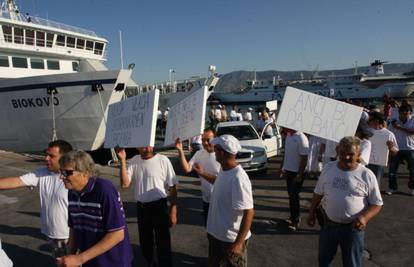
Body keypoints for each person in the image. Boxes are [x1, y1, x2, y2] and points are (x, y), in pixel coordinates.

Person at [307, 136, 383, 267]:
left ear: (358, 154)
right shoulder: (328, 168)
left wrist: (364, 218)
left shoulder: (366, 174)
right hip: (328, 226)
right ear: (337, 151)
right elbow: (318, 192)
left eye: (351, 154)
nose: (346, 157)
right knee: (324, 262)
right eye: (343, 153)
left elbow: (377, 203)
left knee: (352, 264)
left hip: (353, 229)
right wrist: (311, 212)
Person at [57, 151, 132, 267]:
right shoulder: (72, 193)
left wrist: (79, 259)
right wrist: (69, 256)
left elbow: (117, 234)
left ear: (85, 173)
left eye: (67, 172)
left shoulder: (104, 190)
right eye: (61, 172)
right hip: (89, 261)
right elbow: (74, 228)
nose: (61, 177)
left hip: (112, 262)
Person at [0, 140, 72, 259]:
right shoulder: (41, 173)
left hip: (71, 235)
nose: (46, 158)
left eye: (51, 156)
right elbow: (16, 181)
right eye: (46, 154)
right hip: (53, 235)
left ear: (65, 158)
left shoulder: (76, 178)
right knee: (61, 262)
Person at [116, 146, 178, 267]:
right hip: (142, 208)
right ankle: (150, 263)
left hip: (159, 206)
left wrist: (173, 210)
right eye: (142, 144)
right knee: (145, 242)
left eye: (148, 143)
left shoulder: (163, 160)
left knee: (163, 242)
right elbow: (125, 184)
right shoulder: (134, 160)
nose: (146, 147)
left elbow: (173, 187)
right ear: (137, 147)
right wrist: (122, 160)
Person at [207, 134, 254, 267]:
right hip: (216, 235)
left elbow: (249, 212)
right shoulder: (224, 169)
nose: (213, 151)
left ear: (221, 152)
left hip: (230, 240)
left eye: (215, 149)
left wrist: (238, 243)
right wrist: (202, 173)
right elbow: (219, 183)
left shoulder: (239, 178)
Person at [175, 129, 221, 224]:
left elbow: (223, 180)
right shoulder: (199, 153)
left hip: (221, 201)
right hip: (207, 200)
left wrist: (202, 173)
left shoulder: (221, 155)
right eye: (203, 140)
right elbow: (187, 168)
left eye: (208, 140)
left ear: (215, 139)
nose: (205, 143)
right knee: (209, 229)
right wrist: (180, 151)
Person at [280, 127, 309, 231]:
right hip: (288, 170)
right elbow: (286, 154)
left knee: (294, 195)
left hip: (297, 172)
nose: (283, 127)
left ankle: (296, 220)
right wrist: (282, 167)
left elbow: (304, 158)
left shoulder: (301, 137)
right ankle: (293, 217)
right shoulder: (288, 135)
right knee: (291, 195)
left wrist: (300, 174)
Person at [387, 104, 414, 195]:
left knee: (413, 170)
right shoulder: (393, 121)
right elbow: (388, 133)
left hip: (410, 148)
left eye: (407, 112)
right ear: (399, 113)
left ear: (410, 113)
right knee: (392, 169)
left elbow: (412, 132)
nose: (405, 114)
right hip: (396, 148)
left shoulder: (412, 121)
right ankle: (392, 187)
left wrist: (399, 127)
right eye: (402, 112)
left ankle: (412, 188)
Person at [367, 111, 398, 185]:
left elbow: (395, 151)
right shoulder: (366, 132)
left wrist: (391, 148)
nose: (368, 122)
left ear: (377, 121)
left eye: (370, 120)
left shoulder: (388, 134)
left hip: (378, 164)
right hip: (365, 162)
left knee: (375, 184)